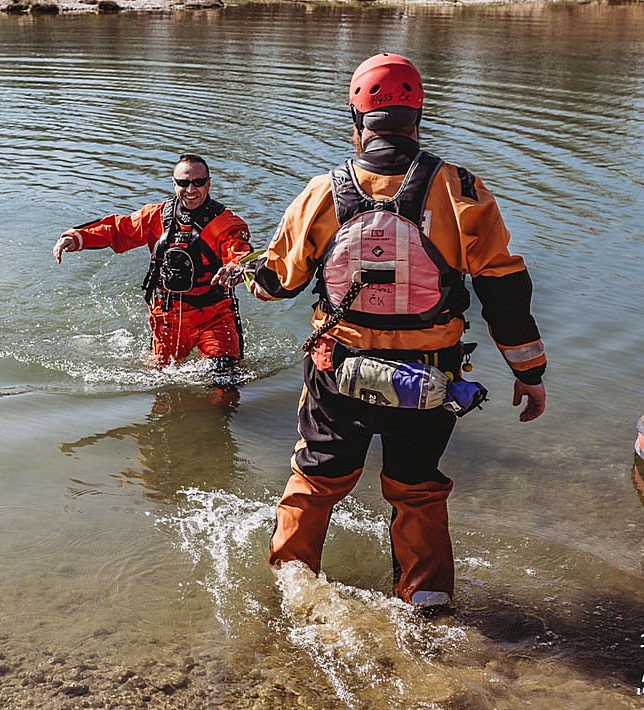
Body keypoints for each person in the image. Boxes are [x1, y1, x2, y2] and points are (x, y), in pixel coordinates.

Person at [246, 53, 547, 610]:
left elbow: (277, 283)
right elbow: (505, 291)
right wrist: (530, 374)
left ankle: (293, 584)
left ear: (357, 121)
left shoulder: (320, 193)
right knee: (418, 488)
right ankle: (426, 598)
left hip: (341, 375)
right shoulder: (461, 189)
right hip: (429, 381)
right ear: (417, 115)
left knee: (315, 480)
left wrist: (249, 272)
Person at [53, 154, 252, 387]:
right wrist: (76, 238)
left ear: (208, 183)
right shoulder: (156, 216)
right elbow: (118, 229)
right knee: (160, 385)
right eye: (183, 183)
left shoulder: (227, 223)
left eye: (198, 182)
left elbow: (242, 254)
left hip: (213, 317)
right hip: (167, 317)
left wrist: (235, 268)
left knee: (224, 385)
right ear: (174, 183)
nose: (191, 189)